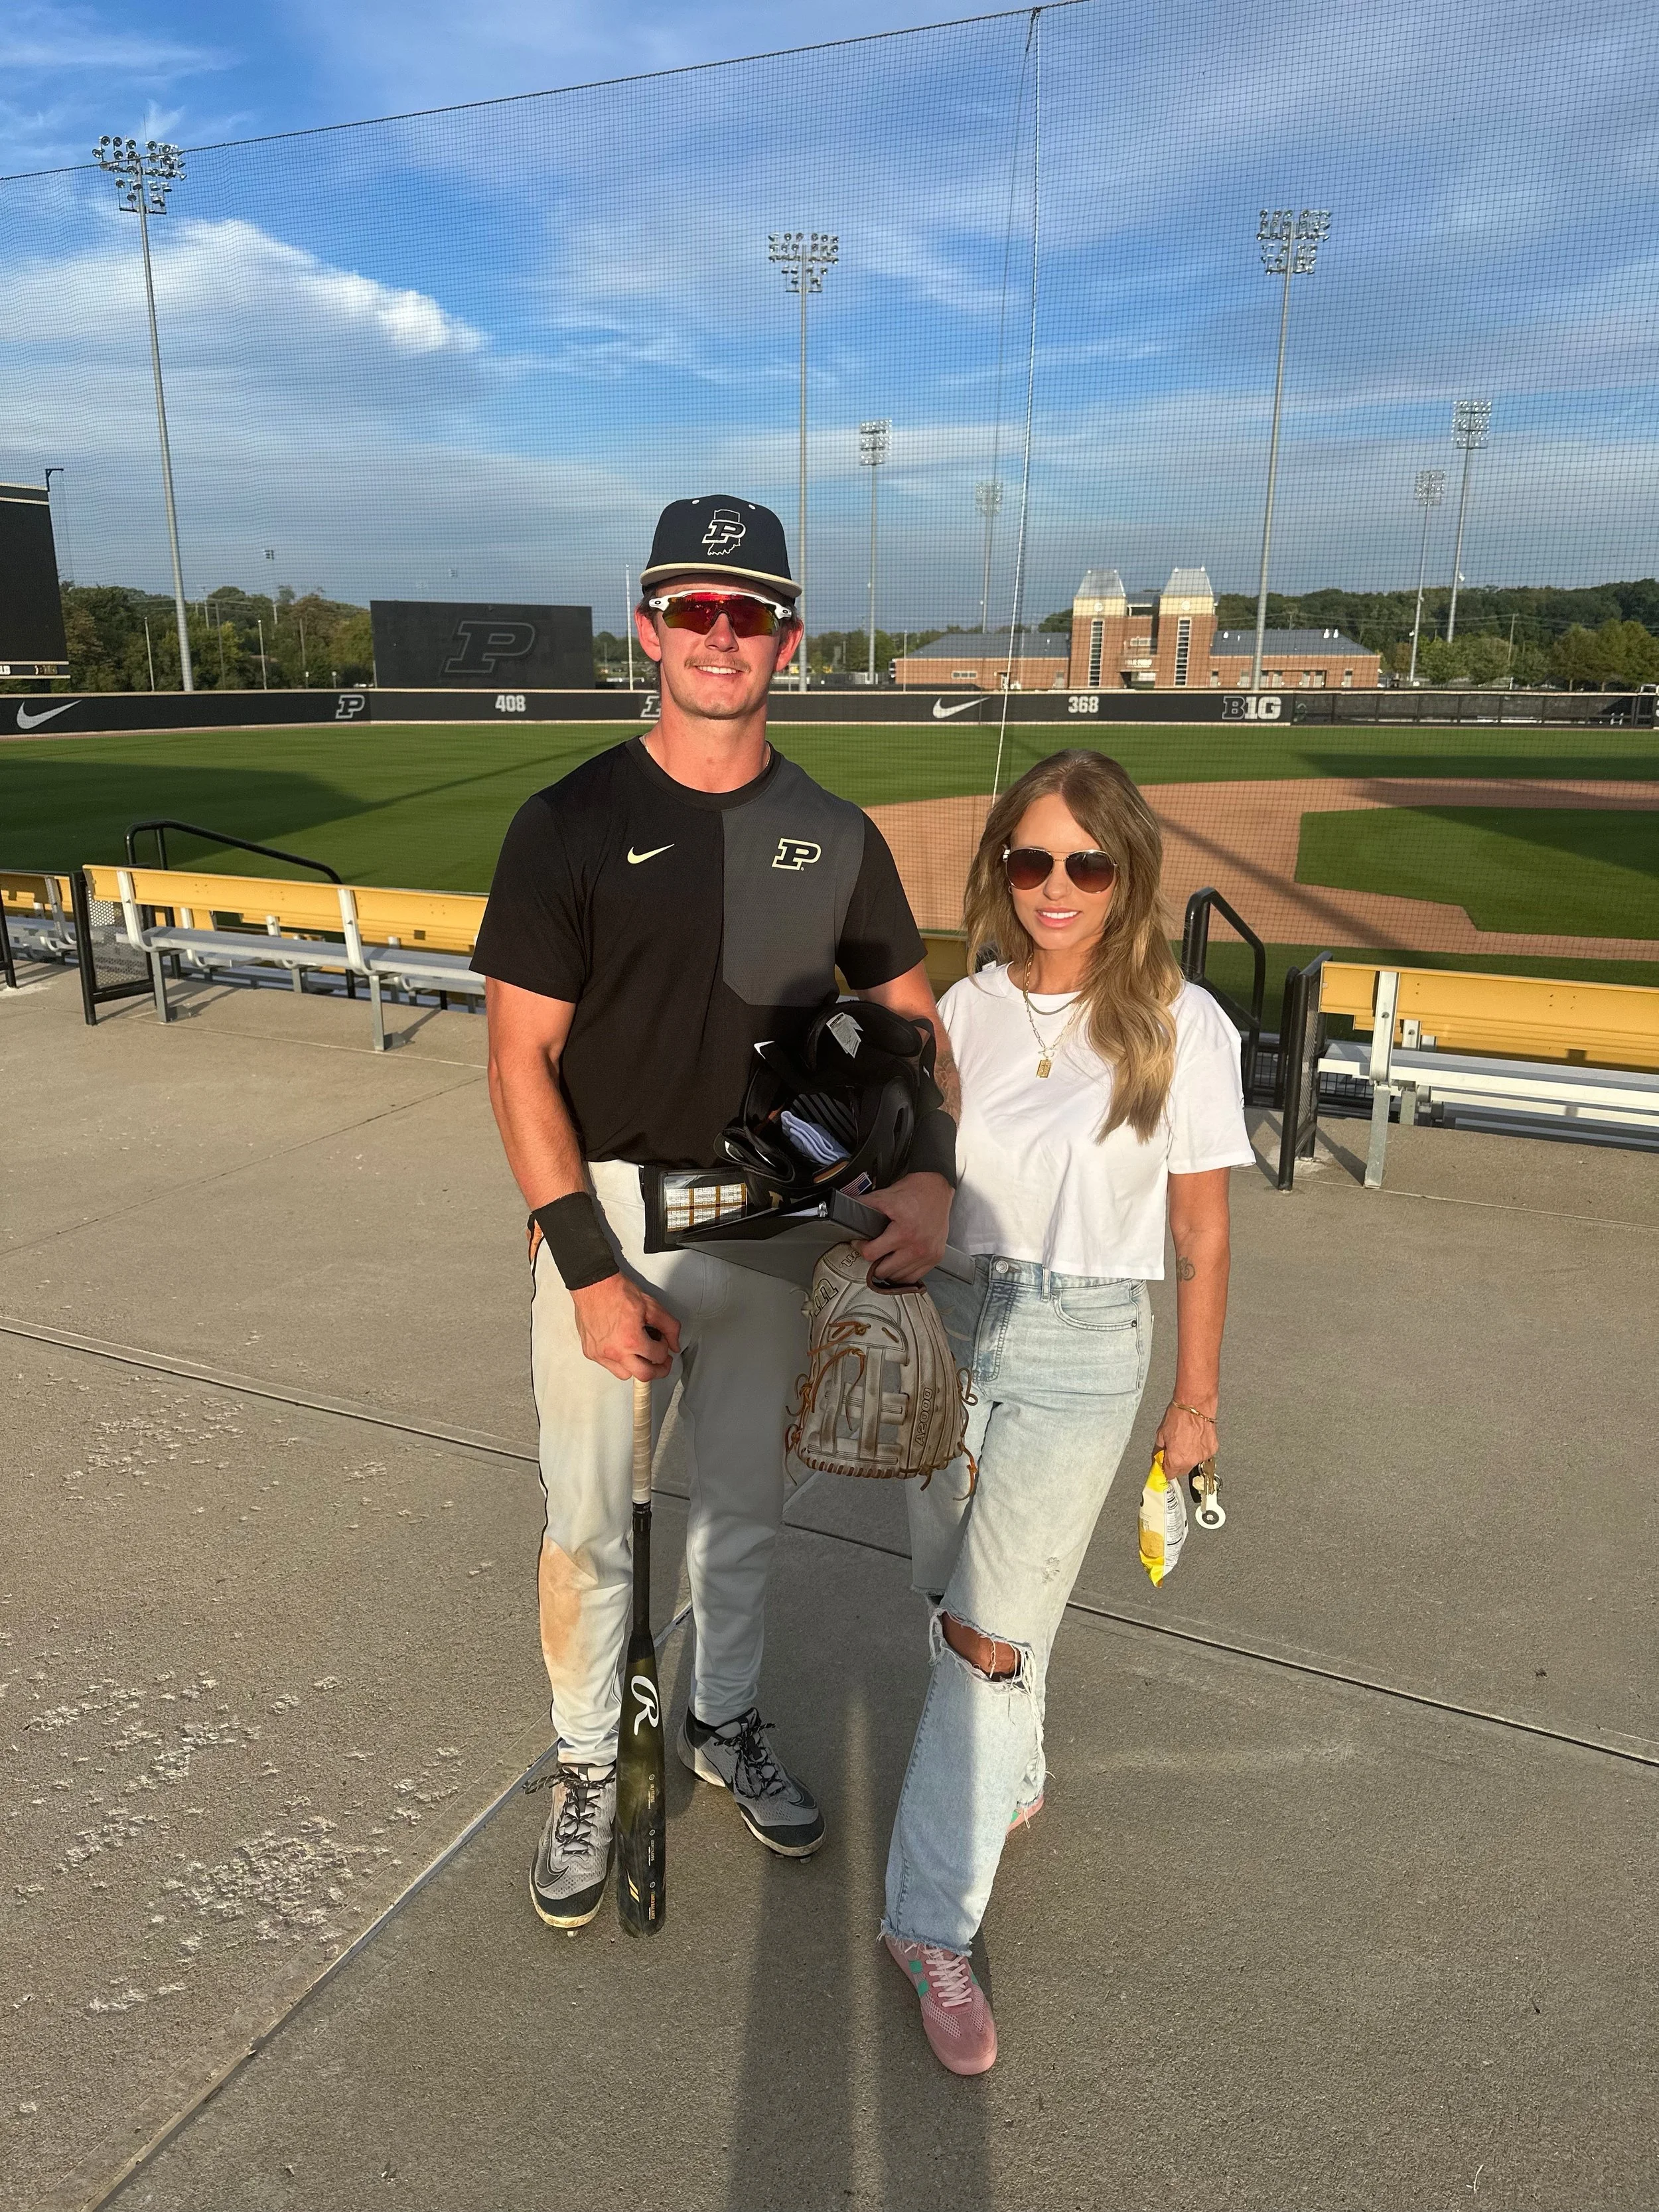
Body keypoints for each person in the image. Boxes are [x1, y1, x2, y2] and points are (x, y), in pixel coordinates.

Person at [472, 495, 958, 1930]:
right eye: (695, 609)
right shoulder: (567, 821)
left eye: (749, 614)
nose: (721, 635)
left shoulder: (833, 830)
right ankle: (583, 1761)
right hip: (610, 1217)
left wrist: (924, 1168)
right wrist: (583, 1266)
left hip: (771, 1226)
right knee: (587, 1521)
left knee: (740, 1515)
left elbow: (912, 1027)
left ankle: (722, 1721)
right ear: (650, 627)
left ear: (788, 640)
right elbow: (515, 1060)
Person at [880, 748, 1254, 2073]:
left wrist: (1192, 1403)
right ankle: (1013, 1775)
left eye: (1085, 863)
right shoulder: (959, 1014)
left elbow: (1200, 1231)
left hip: (1090, 1340)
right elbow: (909, 1170)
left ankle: (928, 1921)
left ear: (1124, 876)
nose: (1055, 887)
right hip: (951, 1321)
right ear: (998, 867)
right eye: (1031, 859)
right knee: (954, 1601)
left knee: (983, 1639)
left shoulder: (1177, 1022)